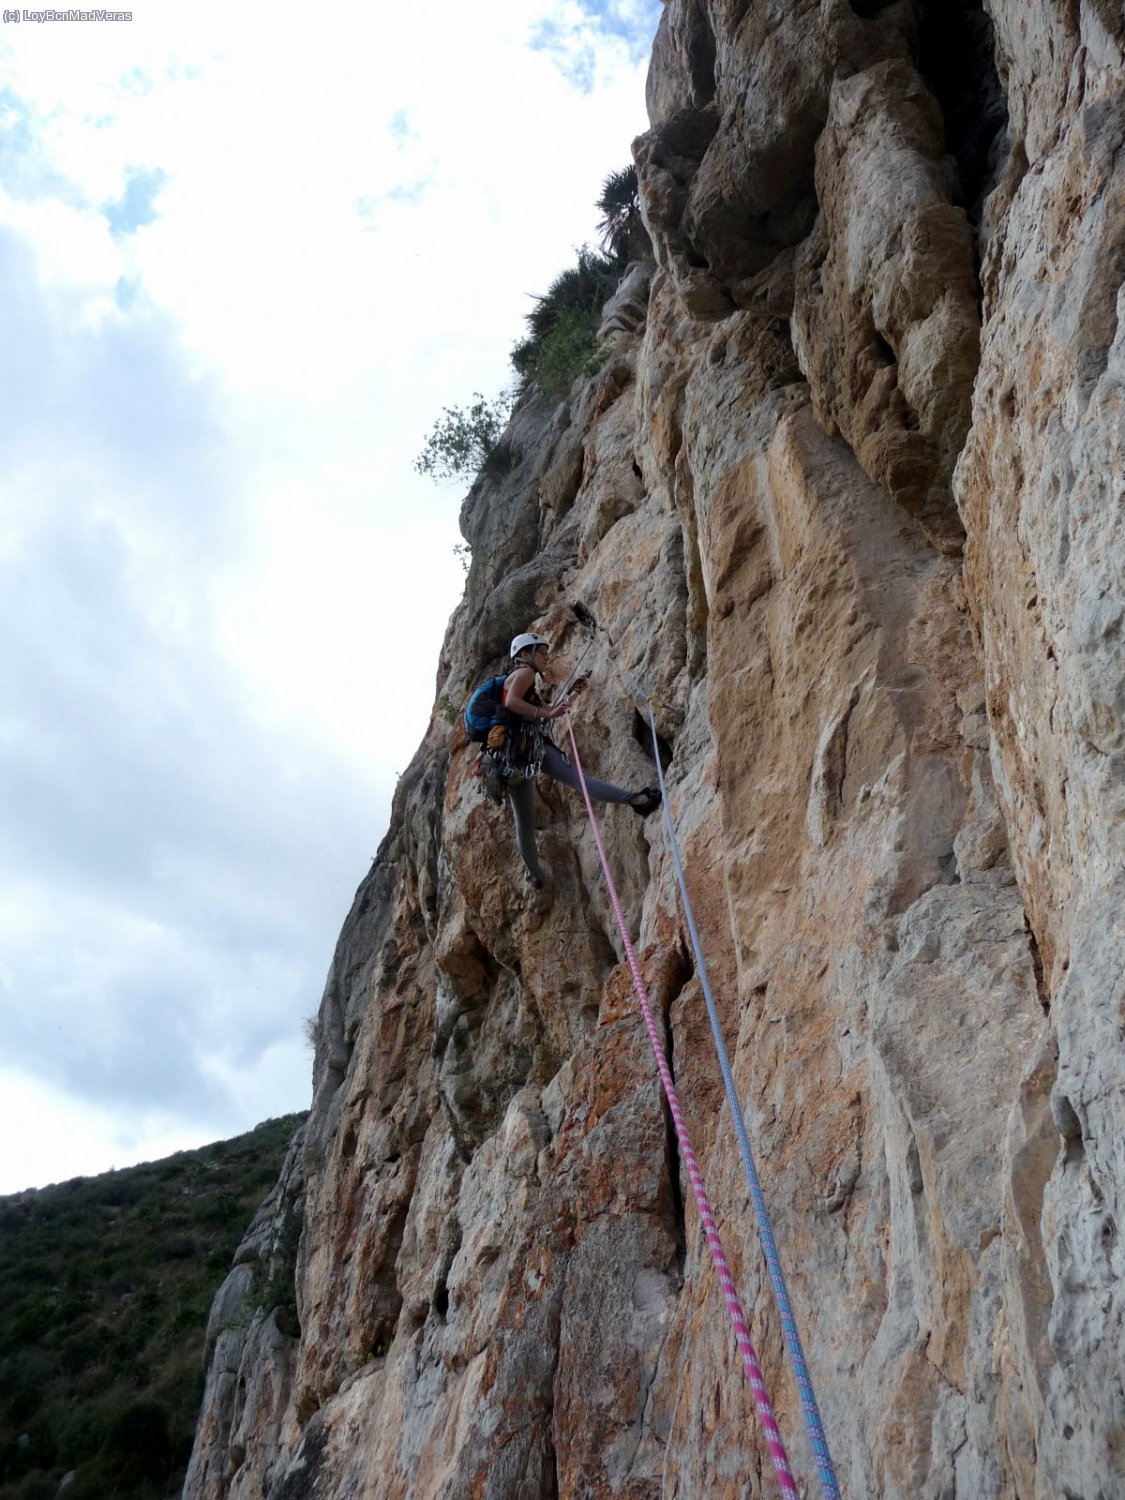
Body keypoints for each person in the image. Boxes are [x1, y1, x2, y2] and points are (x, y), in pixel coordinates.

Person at [499, 631, 661, 888]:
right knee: (578, 780)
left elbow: (537, 712)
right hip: (529, 748)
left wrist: (573, 693)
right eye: (541, 652)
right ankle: (637, 799)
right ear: (524, 655)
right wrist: (548, 712)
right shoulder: (524, 673)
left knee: (525, 822)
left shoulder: (515, 680)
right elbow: (513, 703)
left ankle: (535, 874)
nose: (546, 656)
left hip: (512, 757)